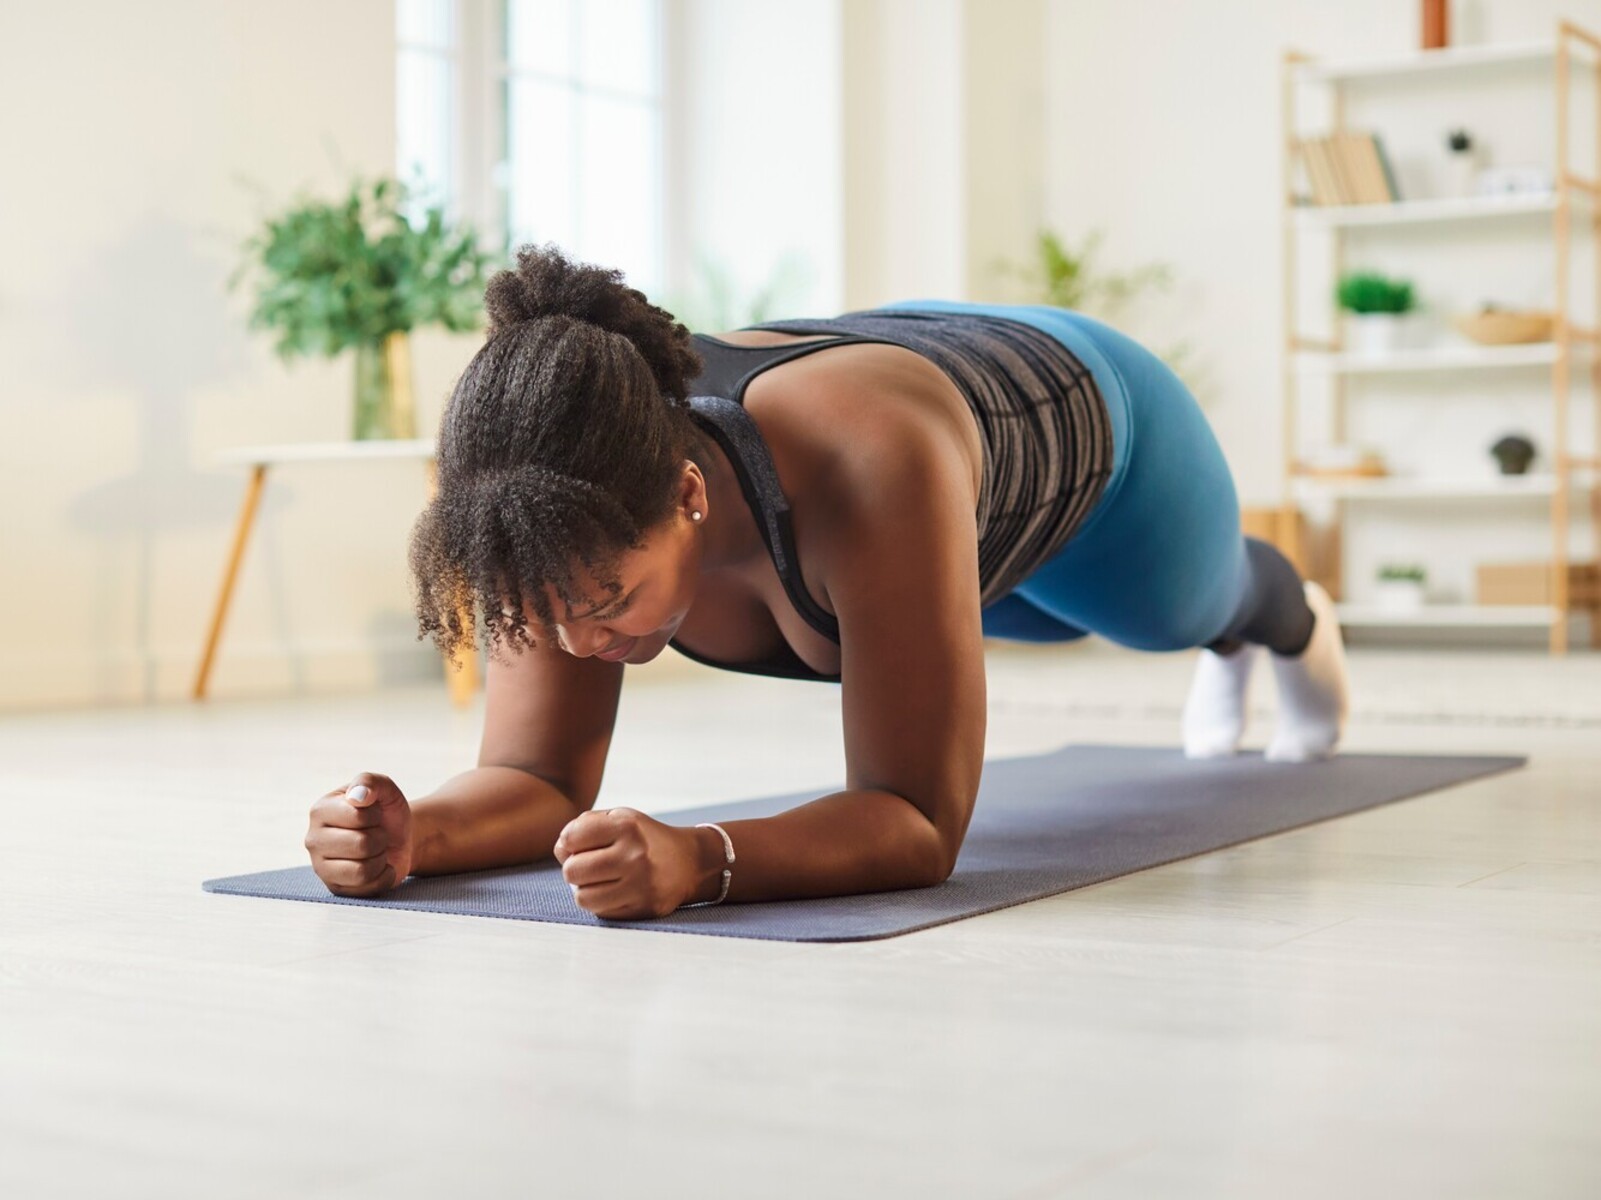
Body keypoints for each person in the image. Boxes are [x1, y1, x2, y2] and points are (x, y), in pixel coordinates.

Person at [303, 243, 1350, 920]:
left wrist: (701, 860)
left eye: (607, 604)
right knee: (1017, 622)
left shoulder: (868, 464)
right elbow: (535, 780)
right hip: (935, 510)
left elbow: (915, 821)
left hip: (1086, 427)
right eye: (544, 615)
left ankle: (1288, 620)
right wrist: (413, 835)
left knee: (1175, 614)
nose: (575, 644)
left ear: (685, 495)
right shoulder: (549, 511)